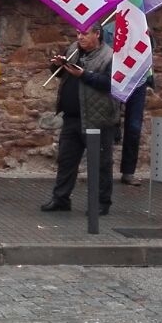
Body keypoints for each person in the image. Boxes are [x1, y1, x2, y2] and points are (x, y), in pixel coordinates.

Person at [41, 25, 119, 214]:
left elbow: (111, 84)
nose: (80, 37)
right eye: (78, 33)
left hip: (97, 118)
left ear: (97, 34)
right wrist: (57, 65)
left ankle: (102, 203)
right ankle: (61, 199)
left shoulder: (110, 56)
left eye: (85, 34)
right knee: (66, 160)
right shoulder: (73, 49)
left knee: (100, 163)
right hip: (72, 117)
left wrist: (84, 75)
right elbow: (61, 74)